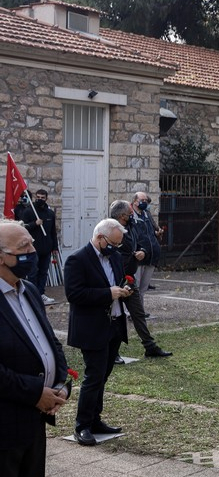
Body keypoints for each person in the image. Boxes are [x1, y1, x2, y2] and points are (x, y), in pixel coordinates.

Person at [0, 220, 70, 477]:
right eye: (23, 249)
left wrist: (61, 382)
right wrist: (34, 393)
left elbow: (49, 342)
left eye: (32, 245)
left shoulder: (27, 289)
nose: (33, 253)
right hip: (4, 424)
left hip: (34, 421)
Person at [65, 219, 133, 447]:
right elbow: (74, 294)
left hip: (114, 323)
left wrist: (124, 290)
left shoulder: (113, 256)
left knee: (103, 376)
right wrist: (107, 293)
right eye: (113, 243)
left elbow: (116, 282)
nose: (116, 248)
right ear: (100, 238)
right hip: (91, 327)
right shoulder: (77, 259)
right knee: (93, 377)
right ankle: (82, 425)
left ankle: (95, 419)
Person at [109, 200, 171, 358]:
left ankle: (150, 347)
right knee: (113, 317)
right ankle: (112, 351)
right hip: (114, 280)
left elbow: (136, 245)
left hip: (129, 278)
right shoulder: (111, 230)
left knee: (138, 313)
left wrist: (141, 251)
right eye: (130, 214)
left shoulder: (130, 227)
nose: (132, 215)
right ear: (122, 216)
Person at [14, 188, 58, 304]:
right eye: (38, 198)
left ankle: (41, 294)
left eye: (42, 198)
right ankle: (32, 295)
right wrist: (35, 224)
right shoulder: (29, 211)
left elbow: (53, 232)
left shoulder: (50, 214)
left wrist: (55, 248)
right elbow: (22, 227)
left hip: (46, 248)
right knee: (33, 273)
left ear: (46, 198)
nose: (40, 200)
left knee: (44, 272)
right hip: (33, 248)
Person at [130, 191, 162, 293]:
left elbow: (153, 230)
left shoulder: (147, 214)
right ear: (135, 202)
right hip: (139, 257)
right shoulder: (130, 215)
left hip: (151, 255)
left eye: (146, 201)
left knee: (143, 289)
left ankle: (141, 309)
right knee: (135, 287)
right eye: (142, 200)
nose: (145, 202)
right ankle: (133, 309)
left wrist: (157, 233)